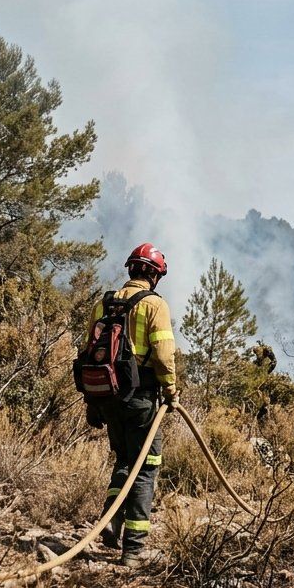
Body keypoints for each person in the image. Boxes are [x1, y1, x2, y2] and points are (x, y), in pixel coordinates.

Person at [86, 243, 177, 569]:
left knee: (125, 459)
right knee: (146, 466)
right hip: (140, 398)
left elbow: (88, 351)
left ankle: (111, 523)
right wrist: (171, 390)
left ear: (130, 270)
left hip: (107, 395)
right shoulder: (154, 305)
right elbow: (164, 355)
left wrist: (93, 403)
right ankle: (133, 550)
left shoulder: (104, 303)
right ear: (154, 274)